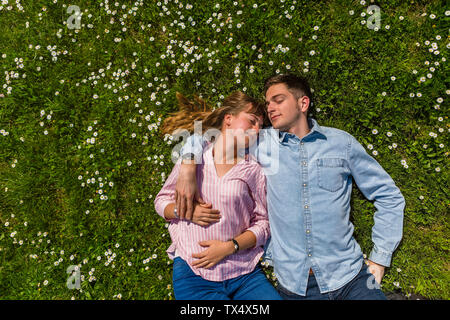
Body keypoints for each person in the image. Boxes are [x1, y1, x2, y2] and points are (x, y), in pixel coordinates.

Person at [174, 74, 406, 300]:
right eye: (268, 103)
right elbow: (208, 137)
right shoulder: (260, 142)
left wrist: (379, 258)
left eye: (279, 99)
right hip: (296, 286)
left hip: (350, 277)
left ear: (303, 103)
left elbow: (388, 195)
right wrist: (187, 167)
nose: (270, 108)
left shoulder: (340, 143)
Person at [154, 91, 282, 300]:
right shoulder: (194, 159)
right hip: (193, 273)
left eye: (260, 125)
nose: (257, 129)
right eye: (251, 121)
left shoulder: (253, 170)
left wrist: (230, 247)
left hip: (244, 274)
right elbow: (161, 201)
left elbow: (263, 224)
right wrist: (184, 211)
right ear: (228, 119)